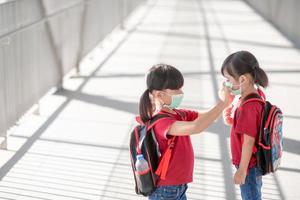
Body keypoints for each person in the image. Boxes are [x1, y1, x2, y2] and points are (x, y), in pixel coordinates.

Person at [138, 64, 230, 200]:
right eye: (176, 89)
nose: (181, 92)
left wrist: (225, 102)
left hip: (177, 186)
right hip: (165, 190)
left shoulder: (177, 113)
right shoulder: (161, 122)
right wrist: (222, 103)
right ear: (159, 94)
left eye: (181, 88)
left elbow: (204, 117)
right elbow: (196, 127)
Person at [221, 50, 269, 200]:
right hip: (251, 163)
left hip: (249, 166)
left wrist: (242, 170)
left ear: (242, 79)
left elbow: (248, 141)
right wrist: (229, 112)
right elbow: (243, 126)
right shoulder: (254, 94)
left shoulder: (249, 106)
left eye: (228, 79)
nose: (225, 84)